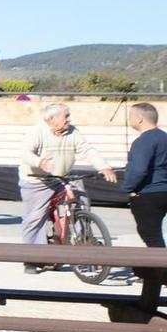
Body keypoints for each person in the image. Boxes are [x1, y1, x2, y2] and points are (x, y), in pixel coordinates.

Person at [18, 103, 119, 273]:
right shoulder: (37, 132)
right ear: (52, 119)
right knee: (35, 218)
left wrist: (104, 167)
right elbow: (25, 153)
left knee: (81, 200)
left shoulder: (72, 132)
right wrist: (40, 162)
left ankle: (85, 243)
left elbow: (87, 150)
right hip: (37, 181)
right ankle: (31, 259)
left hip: (61, 177)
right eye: (66, 116)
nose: (69, 119)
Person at [122, 102, 167, 309]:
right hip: (164, 190)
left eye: (131, 116)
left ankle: (162, 275)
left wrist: (128, 187)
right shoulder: (164, 137)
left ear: (140, 119)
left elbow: (139, 169)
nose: (130, 119)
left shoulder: (143, 141)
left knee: (151, 237)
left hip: (147, 194)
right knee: (155, 237)